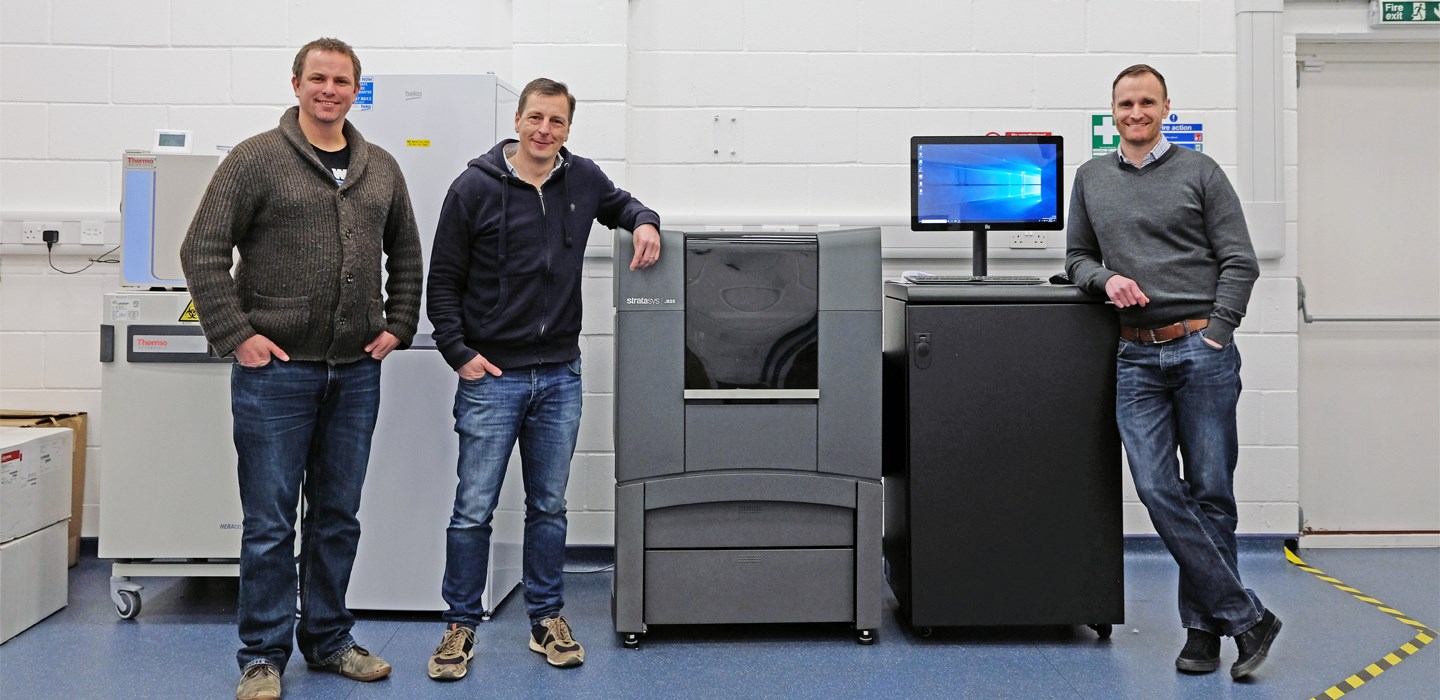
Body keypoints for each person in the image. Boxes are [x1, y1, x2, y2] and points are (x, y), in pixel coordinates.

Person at [180, 37, 423, 700]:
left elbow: (406, 255)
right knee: (268, 522)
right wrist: (237, 336)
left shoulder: (380, 170)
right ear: (296, 85)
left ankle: (329, 640)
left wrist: (399, 325)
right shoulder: (256, 159)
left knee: (337, 515)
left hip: (354, 373)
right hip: (275, 374)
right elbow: (201, 252)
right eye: (318, 78)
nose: (329, 89)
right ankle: (262, 655)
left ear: (355, 90)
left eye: (341, 80)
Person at [424, 77, 661, 679]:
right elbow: (443, 280)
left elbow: (624, 205)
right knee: (472, 508)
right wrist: (459, 353)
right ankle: (459, 625)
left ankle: (546, 618)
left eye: (556, 122)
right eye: (535, 118)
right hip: (492, 375)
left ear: (568, 129)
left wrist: (646, 222)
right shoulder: (473, 187)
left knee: (548, 506)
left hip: (560, 374)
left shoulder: (581, 179)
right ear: (518, 118)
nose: (544, 131)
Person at [1065, 64, 1280, 680]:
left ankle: (1203, 635)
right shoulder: (1091, 178)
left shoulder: (1201, 173)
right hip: (1135, 355)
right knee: (1159, 489)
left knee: (1211, 493)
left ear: (1166, 108)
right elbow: (1077, 257)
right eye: (1126, 103)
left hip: (1200, 350)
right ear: (1113, 111)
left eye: (1147, 102)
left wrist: (1218, 332)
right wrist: (1106, 280)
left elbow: (1241, 261)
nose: (1136, 112)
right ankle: (1249, 617)